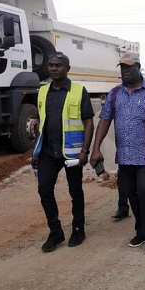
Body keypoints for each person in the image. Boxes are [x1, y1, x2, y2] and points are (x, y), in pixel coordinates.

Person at [90, 51, 145, 255]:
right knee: (131, 193)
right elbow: (104, 120)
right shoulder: (115, 93)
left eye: (129, 67)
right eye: (122, 68)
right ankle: (141, 230)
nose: (125, 71)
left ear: (139, 68)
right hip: (125, 156)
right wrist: (96, 148)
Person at [31, 52, 94, 252]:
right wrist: (36, 150)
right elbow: (41, 123)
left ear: (67, 68)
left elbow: (88, 121)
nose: (53, 68)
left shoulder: (78, 91)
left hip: (73, 153)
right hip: (48, 152)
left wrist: (85, 150)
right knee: (44, 189)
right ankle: (55, 232)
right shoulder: (42, 92)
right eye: (51, 65)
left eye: (58, 65)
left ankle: (78, 229)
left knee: (75, 191)